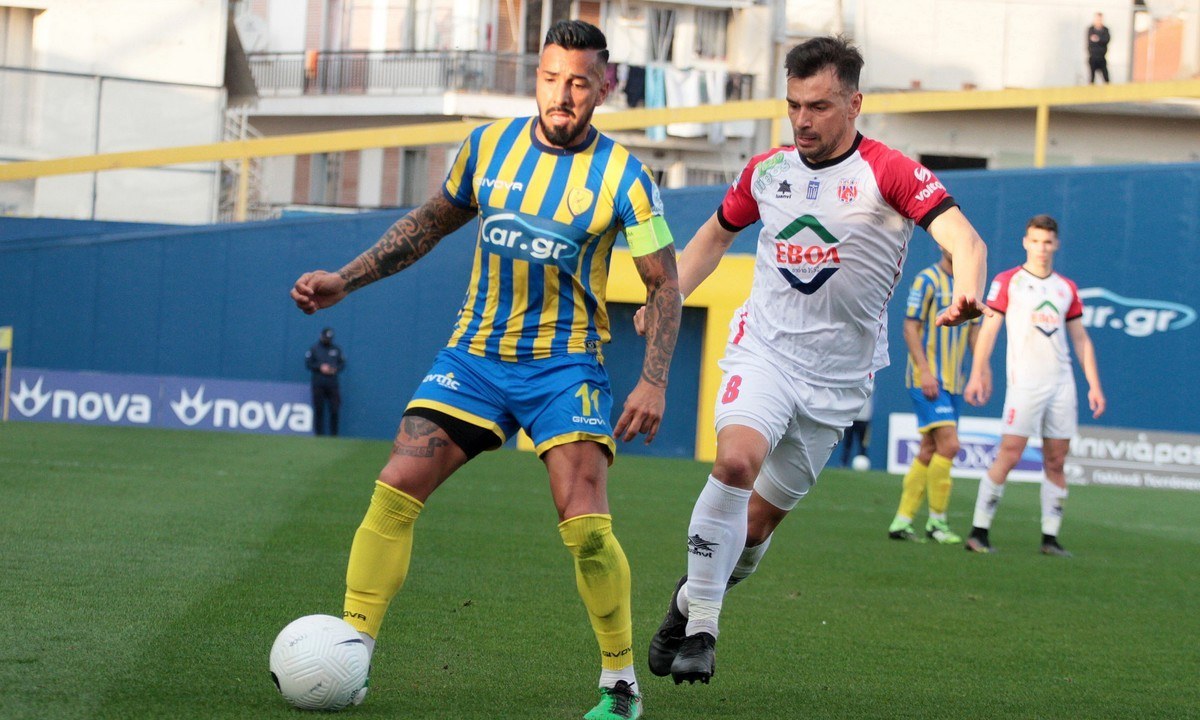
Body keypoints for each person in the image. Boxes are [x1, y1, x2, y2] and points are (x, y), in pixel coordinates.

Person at [290, 20, 681, 720]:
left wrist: (653, 380)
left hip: (564, 366)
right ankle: (350, 653)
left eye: (579, 83)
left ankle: (620, 686)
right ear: (537, 77)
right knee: (395, 486)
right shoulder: (487, 147)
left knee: (586, 525)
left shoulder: (624, 175)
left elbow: (664, 283)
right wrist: (345, 279)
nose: (562, 95)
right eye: (551, 79)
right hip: (474, 357)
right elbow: (426, 225)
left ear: (603, 88)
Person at [636, 36, 988, 686]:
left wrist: (967, 290)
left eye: (819, 106)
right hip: (764, 352)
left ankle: (686, 602)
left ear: (854, 104)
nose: (803, 120)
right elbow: (714, 236)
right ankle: (704, 629)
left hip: (837, 382)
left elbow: (965, 240)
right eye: (794, 104)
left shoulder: (889, 172)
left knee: (754, 530)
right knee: (734, 461)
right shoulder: (768, 172)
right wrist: (669, 296)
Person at [963, 214, 1105, 557]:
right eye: (1036, 241)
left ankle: (1050, 538)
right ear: (1025, 242)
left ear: (1056, 244)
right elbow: (989, 330)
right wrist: (978, 371)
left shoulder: (1065, 288)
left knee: (1056, 460)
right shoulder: (1008, 281)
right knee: (1010, 454)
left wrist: (1094, 384)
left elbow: (1081, 339)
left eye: (1047, 242)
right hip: (1024, 384)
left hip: (1062, 385)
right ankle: (978, 531)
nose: (1041, 248)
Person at [888, 250, 980, 544]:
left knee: (930, 448)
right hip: (927, 379)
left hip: (954, 381)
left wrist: (981, 371)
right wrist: (925, 371)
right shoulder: (927, 280)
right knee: (950, 445)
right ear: (941, 244)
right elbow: (910, 327)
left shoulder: (969, 284)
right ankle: (937, 523)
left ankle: (902, 522)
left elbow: (974, 332)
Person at [305, 326, 345, 436]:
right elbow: (308, 363)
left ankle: (334, 435)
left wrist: (335, 369)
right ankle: (319, 434)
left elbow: (342, 364)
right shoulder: (314, 349)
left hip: (332, 384)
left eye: (329, 339)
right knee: (319, 409)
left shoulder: (336, 349)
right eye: (326, 338)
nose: (327, 340)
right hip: (319, 383)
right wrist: (320, 367)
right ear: (321, 336)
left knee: (334, 409)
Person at [839, 394, 872, 468]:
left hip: (864, 418)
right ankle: (843, 463)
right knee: (847, 443)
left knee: (863, 444)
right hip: (851, 417)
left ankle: (863, 464)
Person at [1087, 13, 1111, 84]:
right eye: (1097, 19)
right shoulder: (1091, 29)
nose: (1098, 21)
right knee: (1092, 77)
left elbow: (1106, 40)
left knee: (1106, 77)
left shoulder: (1105, 30)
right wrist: (1100, 40)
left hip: (1102, 57)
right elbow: (1090, 41)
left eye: (1100, 19)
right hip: (1093, 57)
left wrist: (1098, 39)